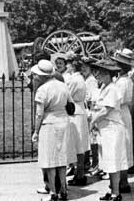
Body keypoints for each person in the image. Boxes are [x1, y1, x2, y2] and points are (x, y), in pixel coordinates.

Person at [31, 59, 71, 201]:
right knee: (61, 159)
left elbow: (39, 113)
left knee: (49, 160)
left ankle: (53, 192)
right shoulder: (63, 85)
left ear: (42, 76)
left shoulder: (42, 90)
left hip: (49, 124)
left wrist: (36, 131)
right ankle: (64, 190)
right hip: (63, 122)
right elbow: (70, 105)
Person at [90, 59, 127, 201]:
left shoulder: (112, 88)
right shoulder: (105, 87)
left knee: (113, 160)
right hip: (105, 129)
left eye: (101, 72)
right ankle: (112, 188)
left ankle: (116, 193)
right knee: (107, 160)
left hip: (112, 129)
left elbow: (106, 110)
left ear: (107, 74)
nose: (98, 75)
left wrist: (93, 121)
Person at [111, 50, 134, 193]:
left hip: (120, 113)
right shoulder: (124, 80)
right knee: (124, 144)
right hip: (124, 112)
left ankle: (123, 181)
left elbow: (116, 101)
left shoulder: (122, 82)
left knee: (122, 145)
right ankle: (122, 180)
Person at [66, 55, 90, 186]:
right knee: (80, 145)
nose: (67, 66)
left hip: (75, 111)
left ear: (73, 66)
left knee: (78, 145)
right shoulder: (80, 78)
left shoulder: (74, 80)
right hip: (79, 110)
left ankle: (79, 174)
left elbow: (67, 95)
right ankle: (79, 172)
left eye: (68, 64)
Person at [82, 57, 100, 174]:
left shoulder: (91, 80)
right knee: (90, 138)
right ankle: (89, 162)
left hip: (91, 110)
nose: (83, 69)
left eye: (86, 67)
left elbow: (92, 96)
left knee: (93, 139)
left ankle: (95, 163)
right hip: (86, 108)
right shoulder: (86, 79)